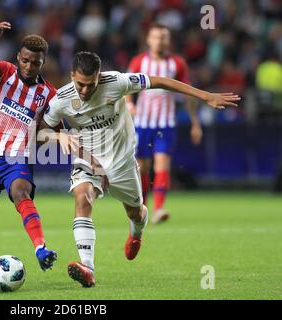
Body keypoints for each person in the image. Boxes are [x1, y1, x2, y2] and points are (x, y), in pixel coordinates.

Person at [38, 51, 240, 287]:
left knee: (136, 212)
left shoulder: (117, 82)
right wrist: (58, 136)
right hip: (87, 159)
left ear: (99, 77)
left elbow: (161, 81)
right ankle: (88, 268)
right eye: (80, 84)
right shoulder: (62, 99)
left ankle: (136, 232)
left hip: (122, 160)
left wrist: (205, 96)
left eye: (90, 85)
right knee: (83, 198)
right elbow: (41, 131)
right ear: (72, 76)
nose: (84, 91)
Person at [0, 21, 58, 283]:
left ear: (43, 63)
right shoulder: (4, 72)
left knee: (21, 192)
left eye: (35, 63)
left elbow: (49, 130)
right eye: (26, 60)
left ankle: (41, 248)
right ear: (19, 57)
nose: (29, 66)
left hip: (18, 159)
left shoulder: (48, 94)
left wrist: (44, 138)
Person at [125, 24, 203, 224]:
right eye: (156, 37)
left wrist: (195, 123)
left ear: (169, 41)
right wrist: (129, 103)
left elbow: (187, 94)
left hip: (165, 124)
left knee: (162, 165)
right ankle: (143, 208)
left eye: (163, 37)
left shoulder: (177, 64)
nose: (160, 41)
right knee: (142, 168)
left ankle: (159, 208)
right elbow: (125, 86)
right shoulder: (139, 61)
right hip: (142, 123)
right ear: (149, 40)